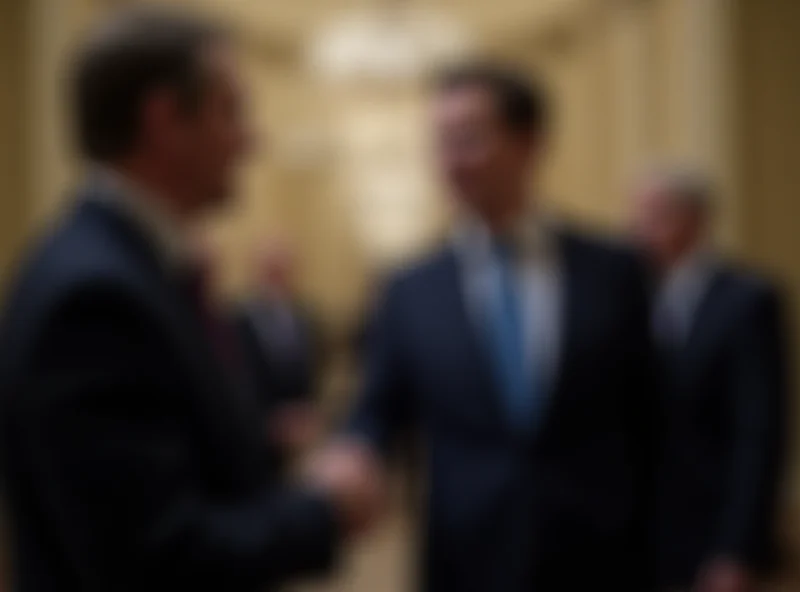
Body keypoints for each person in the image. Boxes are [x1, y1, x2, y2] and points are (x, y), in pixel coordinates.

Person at [0, 8, 382, 592]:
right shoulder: (95, 295)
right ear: (164, 120)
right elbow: (154, 556)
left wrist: (270, 450)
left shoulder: (134, 267)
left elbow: (168, 458)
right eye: (230, 111)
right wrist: (324, 511)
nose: (251, 139)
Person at [346, 62, 658, 592]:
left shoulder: (614, 270)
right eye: (439, 144)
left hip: (602, 553)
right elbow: (378, 409)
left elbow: (653, 418)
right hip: (465, 554)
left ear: (529, 142)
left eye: (467, 140)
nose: (449, 163)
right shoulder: (409, 289)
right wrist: (349, 457)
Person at [630, 168, 788, 592]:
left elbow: (758, 433)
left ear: (692, 219)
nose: (635, 229)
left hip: (711, 529)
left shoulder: (746, 299)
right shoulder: (629, 295)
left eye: (651, 215)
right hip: (641, 536)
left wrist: (735, 548)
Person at [235, 241, 322, 459]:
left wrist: (307, 413)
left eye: (281, 268)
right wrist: (267, 421)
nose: (277, 274)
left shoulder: (304, 316)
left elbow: (311, 369)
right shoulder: (236, 319)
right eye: (271, 268)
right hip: (258, 433)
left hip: (301, 431)